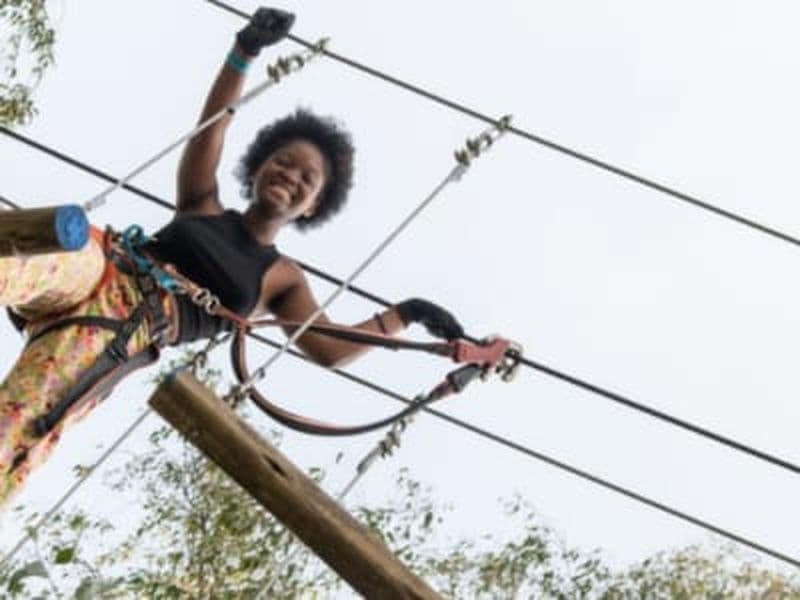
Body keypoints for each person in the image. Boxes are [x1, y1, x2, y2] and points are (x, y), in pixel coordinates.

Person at [0, 7, 463, 509]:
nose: (290, 176)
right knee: (27, 255)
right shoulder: (202, 203)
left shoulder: (282, 279)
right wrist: (244, 53)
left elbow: (329, 348)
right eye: (283, 163)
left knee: (23, 422)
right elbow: (211, 129)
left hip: (123, 327)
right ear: (259, 167)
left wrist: (406, 313)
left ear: (312, 207)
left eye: (306, 179)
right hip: (104, 267)